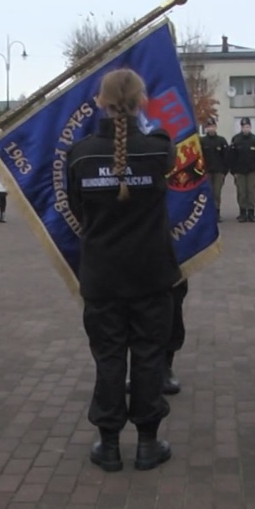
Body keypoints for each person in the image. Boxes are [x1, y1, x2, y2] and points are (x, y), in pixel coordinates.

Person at [67, 68, 177, 473]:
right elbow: (164, 143)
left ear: (100, 101)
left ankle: (108, 444)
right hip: (151, 273)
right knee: (149, 357)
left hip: (102, 274)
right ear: (142, 101)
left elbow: (77, 210)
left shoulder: (79, 154)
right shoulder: (158, 148)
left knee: (109, 358)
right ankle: (148, 443)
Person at [228, 117, 255, 222]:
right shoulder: (236, 139)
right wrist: (233, 171)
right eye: (244, 127)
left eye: (248, 126)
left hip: (252, 171)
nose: (246, 129)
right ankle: (243, 213)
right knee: (241, 192)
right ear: (241, 127)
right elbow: (231, 157)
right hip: (239, 171)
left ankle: (251, 213)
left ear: (250, 127)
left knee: (251, 192)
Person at [199, 122, 230, 222]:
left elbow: (226, 157)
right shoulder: (202, 141)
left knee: (217, 193)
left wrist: (224, 171)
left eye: (212, 127)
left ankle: (217, 213)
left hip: (218, 172)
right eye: (209, 127)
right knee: (208, 193)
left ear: (216, 127)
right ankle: (208, 214)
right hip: (206, 172)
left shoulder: (221, 140)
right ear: (206, 128)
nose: (211, 129)